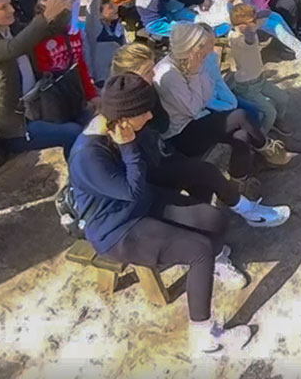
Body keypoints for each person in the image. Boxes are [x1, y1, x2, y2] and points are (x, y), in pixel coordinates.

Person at [67, 75, 264, 356]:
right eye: (143, 112)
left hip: (144, 202)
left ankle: (213, 264)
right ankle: (204, 338)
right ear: (123, 118)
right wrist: (127, 147)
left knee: (215, 220)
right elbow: (131, 190)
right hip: (117, 229)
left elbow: (145, 179)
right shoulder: (88, 155)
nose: (149, 115)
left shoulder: (120, 128)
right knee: (200, 251)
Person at [152, 24, 288, 180]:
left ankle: (239, 179)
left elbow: (208, 91)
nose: (209, 51)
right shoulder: (169, 74)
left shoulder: (193, 60)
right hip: (182, 134)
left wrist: (197, 74)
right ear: (191, 48)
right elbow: (194, 109)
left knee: (242, 135)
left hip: (198, 119)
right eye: (203, 46)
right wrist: (195, 74)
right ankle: (270, 151)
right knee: (240, 116)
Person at [0, 0, 84, 156]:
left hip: (34, 106)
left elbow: (51, 30)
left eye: (10, 4)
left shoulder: (11, 28)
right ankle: (79, 181)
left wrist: (62, 10)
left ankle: (78, 177)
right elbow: (12, 48)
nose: (11, 10)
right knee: (73, 132)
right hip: (9, 125)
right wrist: (44, 17)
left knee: (83, 118)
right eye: (3, 7)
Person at [224, 4, 291, 137]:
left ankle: (278, 121)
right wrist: (250, 26)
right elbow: (248, 40)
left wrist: (257, 16)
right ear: (240, 25)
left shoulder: (250, 27)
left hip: (260, 79)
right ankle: (262, 137)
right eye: (250, 22)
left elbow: (263, 15)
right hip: (247, 86)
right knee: (269, 112)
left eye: (254, 21)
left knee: (283, 98)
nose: (254, 24)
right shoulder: (236, 38)